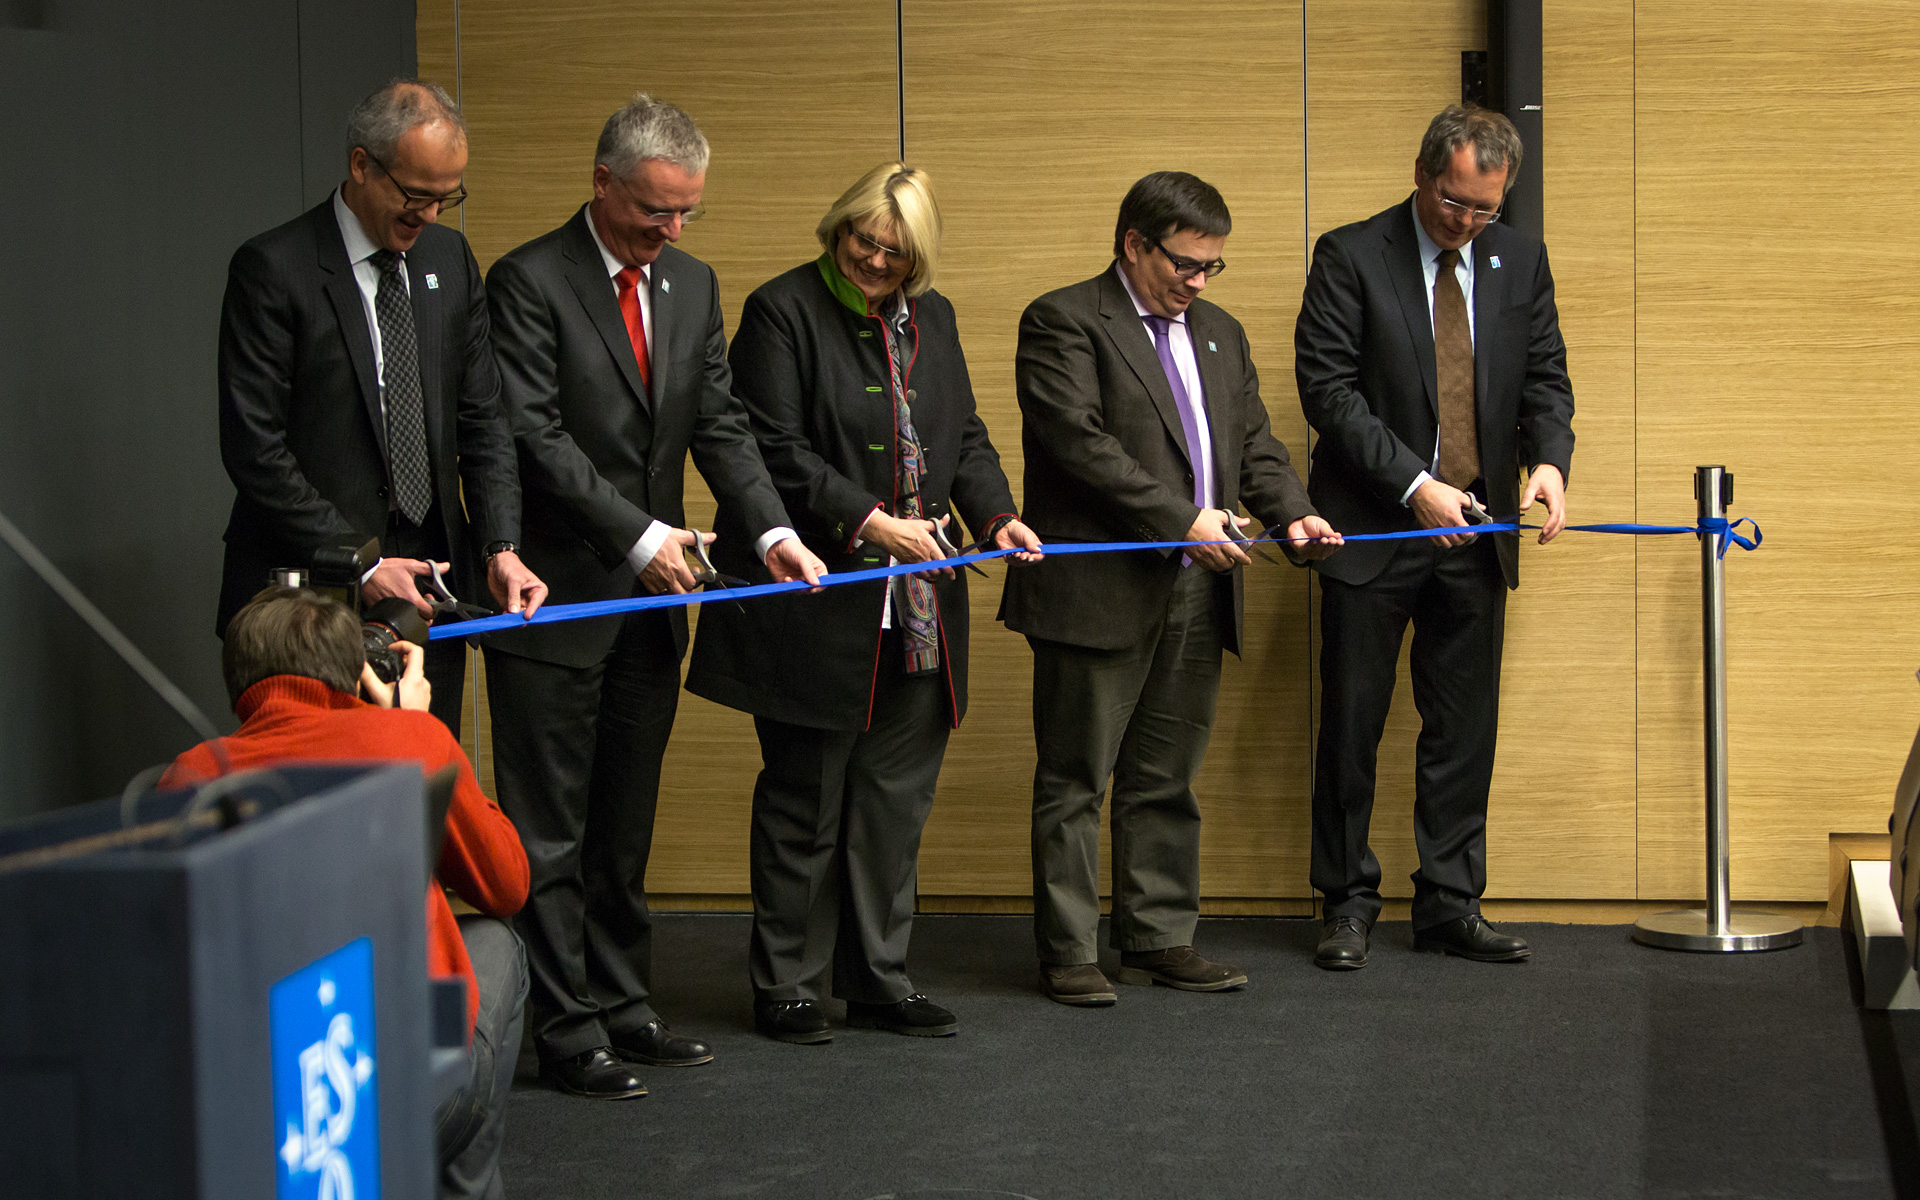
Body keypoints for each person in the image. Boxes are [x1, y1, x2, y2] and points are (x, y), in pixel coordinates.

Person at [482, 93, 826, 1097]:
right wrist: (638, 540)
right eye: (653, 210)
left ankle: (624, 1004)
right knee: (552, 830)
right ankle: (564, 1029)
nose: (671, 230)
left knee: (624, 822)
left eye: (687, 212)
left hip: (650, 606)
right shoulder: (527, 281)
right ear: (603, 184)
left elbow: (718, 420)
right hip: (556, 601)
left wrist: (773, 530)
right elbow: (533, 436)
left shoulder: (691, 281)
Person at [686, 163, 1042, 1044]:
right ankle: (789, 984)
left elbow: (964, 436)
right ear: (838, 227)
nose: (875, 261)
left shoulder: (936, 317)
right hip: (817, 598)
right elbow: (772, 449)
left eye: (896, 251)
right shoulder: (782, 310)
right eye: (863, 240)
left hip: (920, 610)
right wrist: (874, 523)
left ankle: (879, 977)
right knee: (804, 802)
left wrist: (997, 516)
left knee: (892, 804)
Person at [1001, 171, 1341, 1006]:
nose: (1198, 282)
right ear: (1134, 245)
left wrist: (1294, 514)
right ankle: (1070, 952)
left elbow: (1253, 444)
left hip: (1197, 589)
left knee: (1165, 775)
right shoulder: (1063, 321)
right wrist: (1184, 519)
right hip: (1098, 590)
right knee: (1077, 779)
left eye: (1211, 266)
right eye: (1185, 264)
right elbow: (1081, 446)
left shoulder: (1220, 333)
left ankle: (1157, 936)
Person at [1294, 104, 1575, 970]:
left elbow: (1546, 377)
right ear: (1421, 173)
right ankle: (1346, 903)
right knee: (1353, 726)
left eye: (1485, 208)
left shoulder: (1518, 258)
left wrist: (1549, 462)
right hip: (1374, 526)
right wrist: (1417, 487)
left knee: (1463, 728)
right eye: (1454, 201)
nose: (1467, 221)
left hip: (1477, 530)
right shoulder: (1351, 255)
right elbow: (1329, 391)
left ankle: (1451, 902)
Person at [161, 586, 529, 1200]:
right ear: (358, 669)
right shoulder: (410, 740)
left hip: (255, 1111)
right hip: (406, 1093)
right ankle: (465, 1185)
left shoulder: (190, 774)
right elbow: (507, 884)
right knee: (497, 941)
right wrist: (417, 729)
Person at [216, 79, 546, 736]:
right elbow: (255, 448)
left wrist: (500, 546)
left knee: (423, 775)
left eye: (447, 197)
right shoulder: (274, 268)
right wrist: (360, 561)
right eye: (417, 195)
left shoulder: (449, 259)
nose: (430, 216)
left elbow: (483, 419)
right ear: (362, 165)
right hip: (308, 603)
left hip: (426, 590)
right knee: (330, 787)